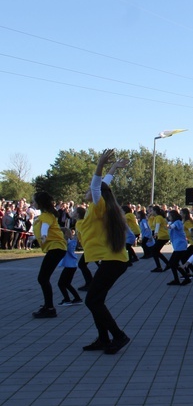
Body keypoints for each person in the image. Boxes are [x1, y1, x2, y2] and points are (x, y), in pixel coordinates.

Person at [77, 150, 131, 354]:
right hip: (112, 260)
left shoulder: (99, 206)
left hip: (114, 262)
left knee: (92, 300)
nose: (88, 191)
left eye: (92, 190)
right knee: (95, 301)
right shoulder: (101, 206)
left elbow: (97, 184)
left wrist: (100, 164)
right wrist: (113, 168)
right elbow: (103, 184)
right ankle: (103, 338)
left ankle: (118, 336)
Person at [30, 191, 69, 318]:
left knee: (43, 278)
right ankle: (48, 306)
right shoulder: (46, 215)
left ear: (40, 203)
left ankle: (50, 308)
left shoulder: (46, 216)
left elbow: (45, 228)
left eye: (34, 201)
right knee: (43, 278)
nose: (33, 203)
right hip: (56, 248)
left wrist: (43, 236)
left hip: (56, 248)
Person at [57, 228, 83, 306]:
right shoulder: (70, 242)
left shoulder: (67, 243)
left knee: (61, 283)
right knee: (67, 283)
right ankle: (77, 298)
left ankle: (67, 300)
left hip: (70, 266)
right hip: (71, 265)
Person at [165, 210, 191, 286]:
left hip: (180, 246)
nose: (168, 217)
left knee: (174, 263)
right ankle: (178, 279)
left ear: (173, 216)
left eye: (169, 216)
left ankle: (186, 278)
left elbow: (172, 227)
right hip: (178, 246)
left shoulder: (178, 222)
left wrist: (167, 225)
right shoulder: (175, 222)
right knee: (172, 263)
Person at [149, 206, 171, 272]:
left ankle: (162, 266)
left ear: (155, 211)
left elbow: (158, 225)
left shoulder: (158, 217)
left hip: (162, 236)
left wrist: (155, 234)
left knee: (154, 250)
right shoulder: (158, 217)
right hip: (163, 236)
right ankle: (166, 264)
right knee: (155, 251)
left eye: (152, 210)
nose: (151, 212)